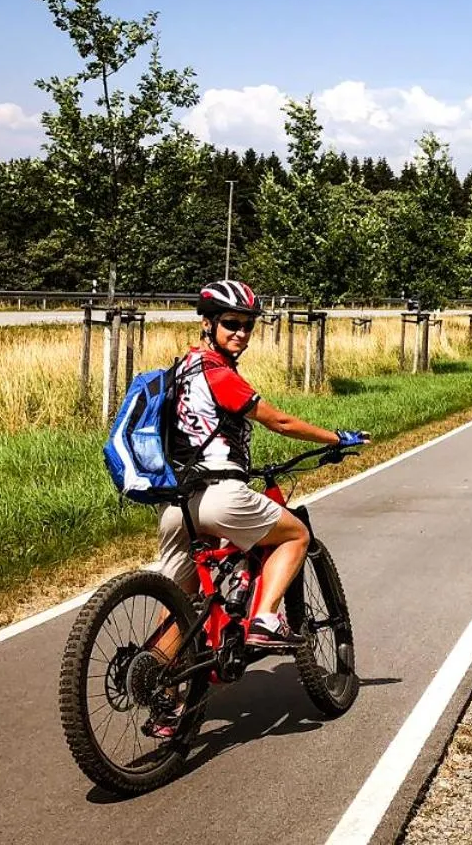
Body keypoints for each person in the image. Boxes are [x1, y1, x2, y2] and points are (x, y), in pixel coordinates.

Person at [145, 279, 368, 737]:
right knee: (296, 535)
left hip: (176, 503)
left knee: (181, 602)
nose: (241, 333)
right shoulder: (217, 373)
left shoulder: (178, 371)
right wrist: (336, 438)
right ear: (207, 324)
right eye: (231, 323)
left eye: (247, 326)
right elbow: (279, 421)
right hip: (220, 495)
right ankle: (265, 618)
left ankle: (164, 697)